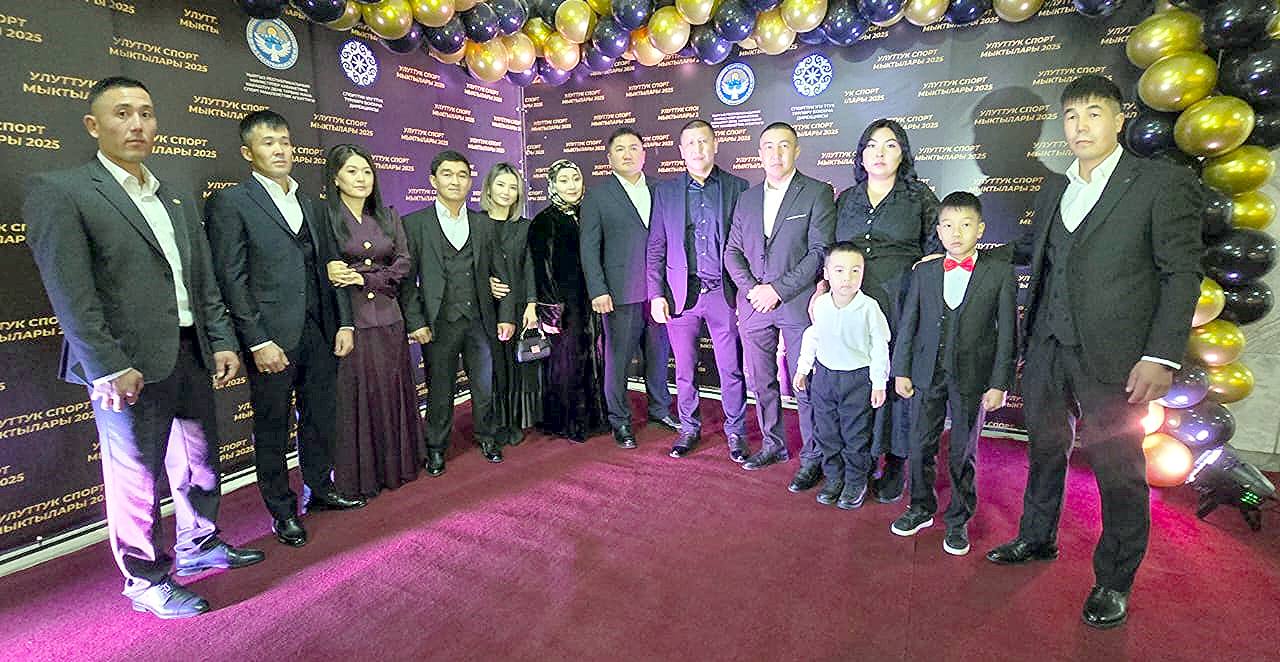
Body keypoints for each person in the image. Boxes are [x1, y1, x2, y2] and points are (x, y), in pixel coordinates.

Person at [24, 76, 263, 619]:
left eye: (146, 113)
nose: (137, 124)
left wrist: (221, 340)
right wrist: (107, 365)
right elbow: (70, 294)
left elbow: (201, 280)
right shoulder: (62, 190)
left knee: (200, 461)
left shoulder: (172, 194)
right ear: (94, 125)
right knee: (136, 479)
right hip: (125, 365)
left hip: (190, 350)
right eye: (122, 113)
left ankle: (199, 544)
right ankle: (146, 580)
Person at [985, 75, 1203, 630]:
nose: (1080, 126)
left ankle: (1114, 579)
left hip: (1117, 356)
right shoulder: (1055, 188)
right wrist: (963, 253)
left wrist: (1161, 355)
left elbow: (1181, 275)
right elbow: (1036, 252)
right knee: (1045, 449)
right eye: (1071, 115)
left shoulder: (1159, 183)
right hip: (1047, 345)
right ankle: (1037, 537)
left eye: (1093, 113)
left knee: (1118, 468)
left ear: (1120, 118)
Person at [206, 110, 366, 549]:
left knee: (320, 417)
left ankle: (320, 488)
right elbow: (231, 278)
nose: (280, 150)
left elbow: (332, 267)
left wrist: (344, 322)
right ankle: (281, 510)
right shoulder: (231, 202)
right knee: (273, 426)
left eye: (285, 142)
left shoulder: (312, 204)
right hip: (271, 337)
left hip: (319, 330)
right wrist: (257, 340)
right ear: (248, 153)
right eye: (268, 143)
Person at [889, 192, 1016, 556]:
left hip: (972, 376)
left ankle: (959, 518)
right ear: (939, 230)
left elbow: (1008, 332)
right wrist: (902, 370)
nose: (955, 233)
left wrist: (999, 382)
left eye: (965, 225)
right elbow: (909, 323)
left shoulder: (998, 272)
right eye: (947, 225)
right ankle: (920, 506)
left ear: (981, 229)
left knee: (963, 451)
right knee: (919, 444)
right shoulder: (924, 272)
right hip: (926, 371)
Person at [832, 118, 943, 503]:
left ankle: (896, 461)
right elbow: (830, 251)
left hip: (900, 304)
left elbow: (936, 251)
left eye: (890, 145)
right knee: (857, 380)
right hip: (851, 302)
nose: (880, 153)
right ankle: (858, 460)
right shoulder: (846, 198)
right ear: (861, 155)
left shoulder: (920, 197)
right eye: (872, 145)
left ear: (903, 154)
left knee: (895, 379)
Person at [724, 122, 835, 479]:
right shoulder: (747, 197)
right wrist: (753, 290)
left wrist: (777, 290)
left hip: (797, 302)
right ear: (759, 154)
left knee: (805, 383)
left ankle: (813, 456)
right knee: (761, 382)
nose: (776, 153)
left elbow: (819, 252)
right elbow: (732, 252)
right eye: (769, 146)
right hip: (753, 305)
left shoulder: (817, 192)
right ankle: (773, 444)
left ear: (797, 150)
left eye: (784, 145)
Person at [399, 150, 516, 476]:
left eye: (462, 175)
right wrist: (416, 321)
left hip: (480, 320)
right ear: (433, 180)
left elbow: (501, 273)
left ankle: (487, 437)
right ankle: (436, 448)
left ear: (470, 181)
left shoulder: (483, 224)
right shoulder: (414, 224)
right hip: (439, 323)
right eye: (447, 174)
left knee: (484, 386)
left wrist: (506, 315)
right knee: (440, 389)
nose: (455, 181)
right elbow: (407, 283)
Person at [647, 119, 751, 461]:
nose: (698, 149)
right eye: (690, 143)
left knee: (730, 368)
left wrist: (746, 292)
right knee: (685, 370)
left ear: (715, 145)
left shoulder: (738, 187)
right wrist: (656, 294)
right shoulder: (666, 193)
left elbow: (746, 246)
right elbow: (656, 247)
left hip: (724, 294)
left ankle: (736, 432)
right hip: (681, 296)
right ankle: (689, 428)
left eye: (703, 141)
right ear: (681, 151)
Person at [322, 143, 422, 498]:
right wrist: (344, 275)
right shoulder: (325, 218)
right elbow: (327, 269)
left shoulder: (388, 216)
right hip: (350, 322)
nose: (361, 178)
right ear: (335, 178)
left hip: (389, 317)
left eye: (366, 171)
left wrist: (363, 278)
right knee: (356, 400)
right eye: (352, 171)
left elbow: (403, 264)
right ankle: (360, 478)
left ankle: (396, 468)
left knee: (391, 392)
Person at [580, 127, 678, 449]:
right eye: (620, 149)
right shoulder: (597, 196)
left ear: (644, 154)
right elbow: (589, 249)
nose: (627, 154)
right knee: (618, 360)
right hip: (619, 294)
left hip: (659, 293)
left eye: (634, 147)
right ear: (609, 158)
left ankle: (660, 409)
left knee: (658, 355)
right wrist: (598, 289)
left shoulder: (662, 190)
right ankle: (620, 420)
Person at [792, 243, 889, 510]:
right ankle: (834, 477)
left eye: (855, 271)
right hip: (825, 378)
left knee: (856, 434)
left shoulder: (869, 308)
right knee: (827, 432)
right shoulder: (821, 305)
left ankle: (856, 481)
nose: (847, 278)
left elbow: (880, 346)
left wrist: (879, 383)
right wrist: (802, 369)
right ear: (826, 273)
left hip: (857, 380)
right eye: (839, 270)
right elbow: (812, 337)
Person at [528, 160, 610, 443]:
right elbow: (542, 270)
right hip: (564, 307)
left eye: (575, 178)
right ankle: (568, 423)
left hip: (592, 302)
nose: (571, 186)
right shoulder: (544, 221)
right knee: (567, 363)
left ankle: (596, 418)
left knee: (594, 359)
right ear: (552, 185)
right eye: (563, 180)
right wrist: (551, 312)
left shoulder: (590, 213)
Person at [482, 162, 542, 446]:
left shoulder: (525, 227)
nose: (507, 192)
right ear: (488, 189)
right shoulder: (476, 223)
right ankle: (492, 423)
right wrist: (485, 283)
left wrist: (532, 304)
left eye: (513, 187)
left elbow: (530, 267)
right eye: (501, 185)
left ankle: (514, 421)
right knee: (492, 367)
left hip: (519, 305)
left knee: (515, 367)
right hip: (485, 309)